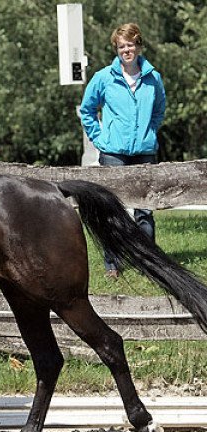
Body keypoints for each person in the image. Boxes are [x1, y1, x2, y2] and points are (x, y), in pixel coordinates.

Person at [80, 23, 166, 278]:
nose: (126, 50)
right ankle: (112, 264)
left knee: (145, 211)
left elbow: (159, 110)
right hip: (113, 152)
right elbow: (87, 110)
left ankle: (148, 264)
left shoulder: (153, 77)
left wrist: (149, 132)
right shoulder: (104, 77)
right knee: (112, 211)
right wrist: (100, 137)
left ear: (139, 46)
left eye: (130, 45)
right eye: (121, 46)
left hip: (144, 151)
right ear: (116, 49)